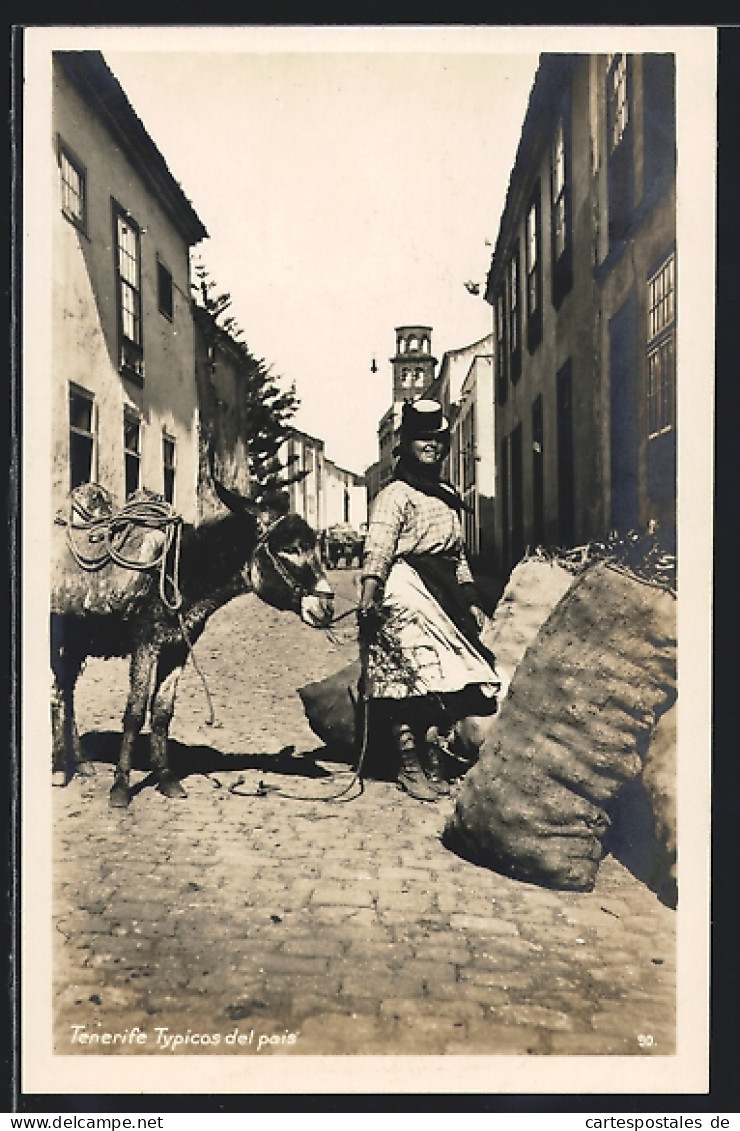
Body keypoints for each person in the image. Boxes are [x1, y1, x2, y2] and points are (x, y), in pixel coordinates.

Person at [357, 398, 500, 802]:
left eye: (437, 439)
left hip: (442, 593)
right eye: (422, 439)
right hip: (403, 591)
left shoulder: (445, 496)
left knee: (446, 677)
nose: (431, 446)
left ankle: (434, 756)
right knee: (410, 677)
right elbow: (380, 548)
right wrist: (370, 595)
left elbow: (458, 557)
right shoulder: (395, 494)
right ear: (406, 444)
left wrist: (470, 599)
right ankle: (408, 763)